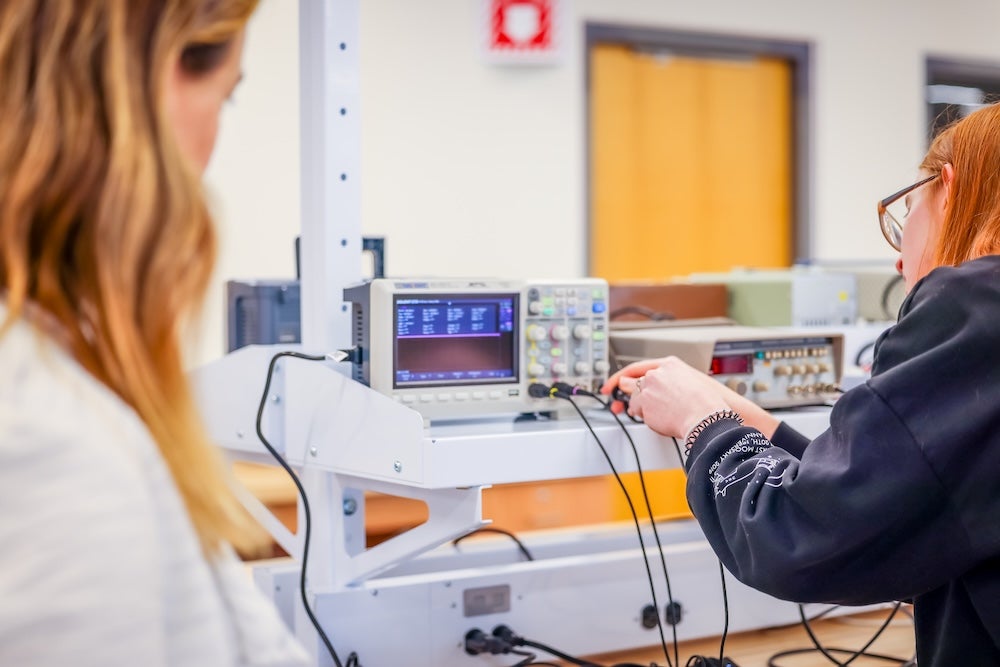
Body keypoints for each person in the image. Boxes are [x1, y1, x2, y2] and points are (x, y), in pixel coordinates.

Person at [603, 102, 1000, 666]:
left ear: (950, 189)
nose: (897, 265)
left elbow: (801, 534)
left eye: (904, 213)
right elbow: (900, 484)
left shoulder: (974, 304)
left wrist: (701, 425)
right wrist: (745, 417)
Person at [0, 2, 308, 665]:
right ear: (158, 81)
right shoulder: (46, 435)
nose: (208, 156)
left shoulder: (68, 375)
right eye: (225, 100)